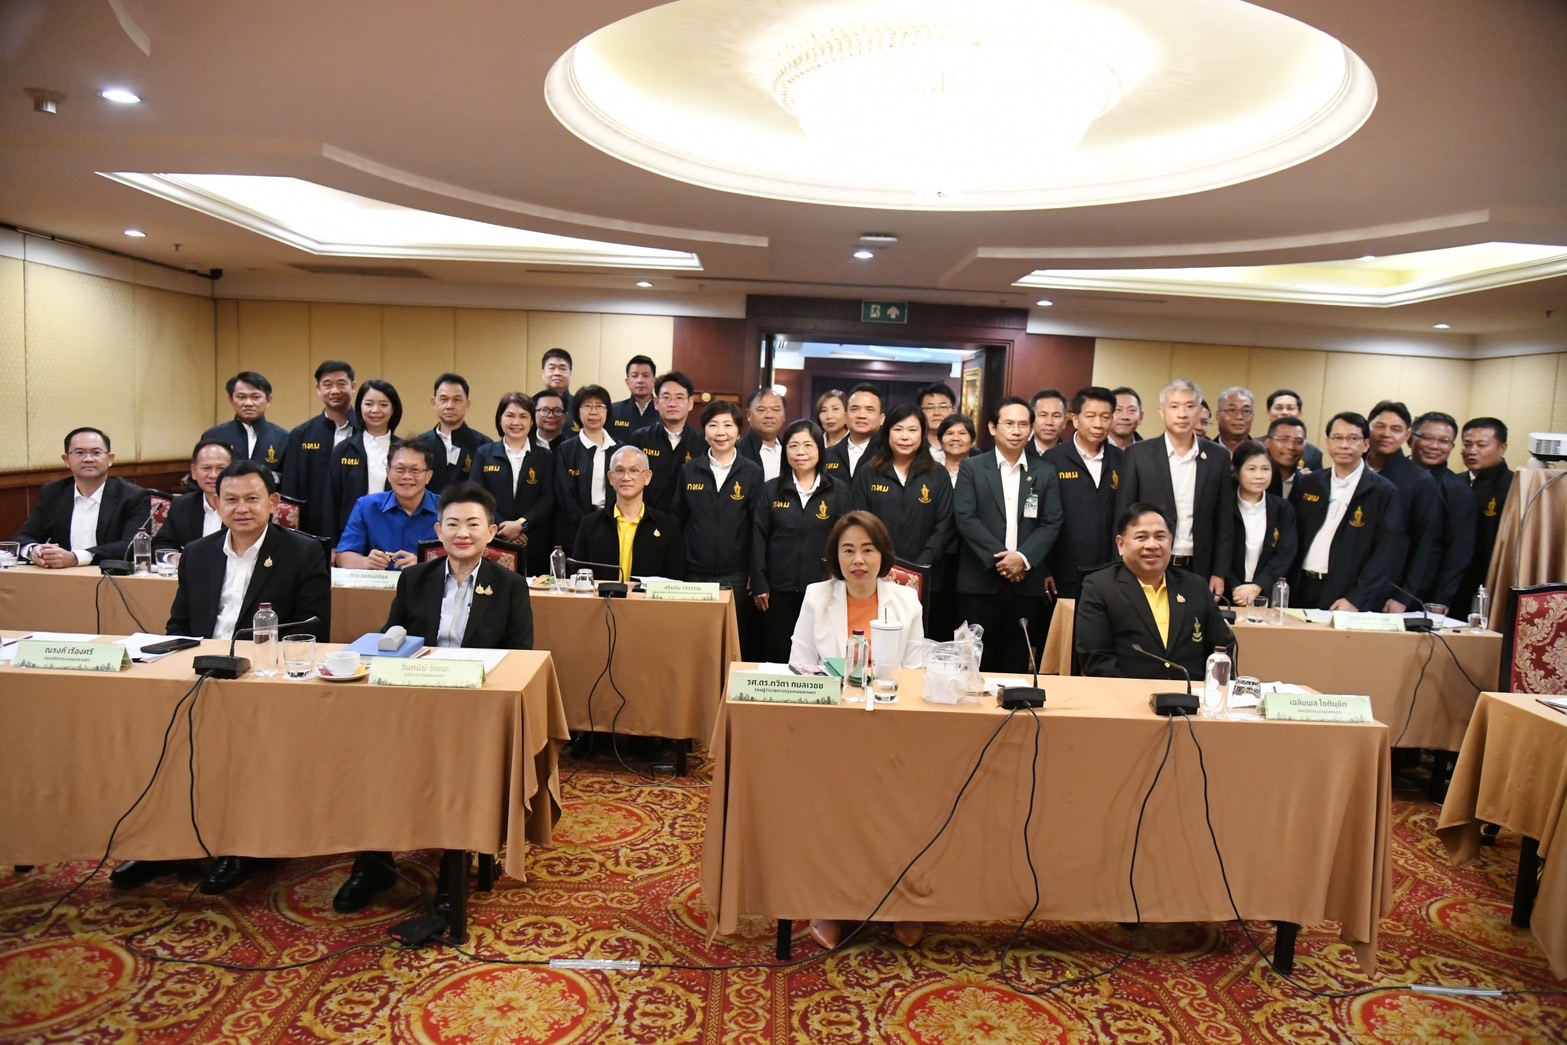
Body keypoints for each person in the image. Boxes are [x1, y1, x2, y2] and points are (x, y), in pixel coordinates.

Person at [117, 460, 332, 893]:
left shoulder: (303, 552)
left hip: (264, 677)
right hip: (200, 669)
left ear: (273, 503)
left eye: (252, 499)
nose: (242, 508)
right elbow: (179, 624)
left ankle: (243, 845)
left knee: (243, 743)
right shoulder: (198, 553)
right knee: (155, 730)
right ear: (216, 503)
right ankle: (162, 844)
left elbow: (313, 628)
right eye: (231, 499)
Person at [332, 482, 533, 913]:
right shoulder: (414, 578)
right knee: (370, 752)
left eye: (473, 525)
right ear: (438, 530)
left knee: (460, 760)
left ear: (491, 532)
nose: (463, 533)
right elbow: (390, 641)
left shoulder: (511, 585)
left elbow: (521, 657)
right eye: (453, 524)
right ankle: (373, 862)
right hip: (414, 697)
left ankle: (453, 864)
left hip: (475, 705)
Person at [797, 511, 926, 953]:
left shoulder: (906, 602)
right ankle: (830, 901)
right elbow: (800, 665)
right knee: (831, 802)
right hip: (832, 729)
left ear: (882, 555)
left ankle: (901, 903)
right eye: (848, 550)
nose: (858, 560)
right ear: (835, 556)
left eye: (868, 550)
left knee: (903, 806)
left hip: (893, 726)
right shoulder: (816, 597)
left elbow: (915, 672)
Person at [952, 397, 1063, 672]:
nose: (1016, 431)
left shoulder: (1045, 471)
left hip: (1025, 582)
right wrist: (1004, 561)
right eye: (1009, 424)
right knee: (974, 662)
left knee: (1015, 661)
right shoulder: (972, 467)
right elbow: (966, 518)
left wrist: (1022, 559)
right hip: (980, 582)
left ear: (1031, 429)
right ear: (993, 427)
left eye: (1023, 425)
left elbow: (1051, 521)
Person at [1075, 504, 1235, 681]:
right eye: (1141, 537)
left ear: (1170, 541)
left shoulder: (1195, 586)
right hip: (1125, 694)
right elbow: (1096, 660)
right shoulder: (1099, 587)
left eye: (1160, 537)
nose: (1152, 545)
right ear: (1121, 544)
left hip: (1191, 695)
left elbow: (1222, 648)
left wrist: (1213, 690)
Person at [1115, 379, 1233, 597]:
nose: (1182, 414)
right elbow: (1124, 515)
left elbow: (1224, 519)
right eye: (1174, 406)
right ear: (1162, 411)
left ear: (1200, 411)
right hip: (1148, 561)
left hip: (1199, 566)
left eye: (1190, 406)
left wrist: (1219, 572)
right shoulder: (1138, 454)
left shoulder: (1218, 456)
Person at [751, 420, 852, 661]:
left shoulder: (838, 491)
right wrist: (760, 583)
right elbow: (758, 537)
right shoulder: (771, 490)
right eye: (793, 446)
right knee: (779, 652)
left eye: (808, 445)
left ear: (820, 449)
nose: (801, 452)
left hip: (824, 585)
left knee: (821, 653)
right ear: (785, 451)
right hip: (778, 588)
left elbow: (847, 539)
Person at [1289, 412, 1404, 612]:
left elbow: (1385, 553)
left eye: (1352, 438)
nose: (1344, 445)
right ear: (1328, 443)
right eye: (1337, 438)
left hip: (1346, 594)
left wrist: (1356, 598)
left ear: (1366, 444)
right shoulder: (1310, 483)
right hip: (1300, 586)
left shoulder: (1383, 491)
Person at [678, 401, 765, 657]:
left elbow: (757, 527)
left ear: (739, 432)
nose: (720, 432)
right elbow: (679, 520)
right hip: (694, 573)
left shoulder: (752, 472)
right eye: (713, 425)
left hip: (735, 574)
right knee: (694, 640)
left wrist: (755, 573)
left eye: (728, 425)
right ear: (704, 431)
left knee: (733, 641)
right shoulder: (689, 470)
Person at [16, 427, 153, 567]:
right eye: (79, 453)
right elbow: (23, 537)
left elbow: (132, 545)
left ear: (110, 459)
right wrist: (34, 551)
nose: (88, 459)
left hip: (108, 574)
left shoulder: (133, 496)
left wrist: (76, 558)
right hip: (60, 575)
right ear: (66, 460)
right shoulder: (53, 492)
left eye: (96, 452)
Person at [851, 404, 954, 576]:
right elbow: (858, 521)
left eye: (912, 430)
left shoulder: (937, 474)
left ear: (922, 434)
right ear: (887, 433)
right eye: (898, 429)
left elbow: (945, 525)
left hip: (927, 571)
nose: (905, 437)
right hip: (877, 570)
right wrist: (879, 561)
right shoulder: (869, 473)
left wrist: (921, 565)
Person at [1041, 387, 1123, 602]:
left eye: (1105, 417)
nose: (1098, 424)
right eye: (1091, 416)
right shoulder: (1052, 460)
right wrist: (1043, 569)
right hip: (1062, 572)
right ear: (1075, 419)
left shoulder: (1123, 461)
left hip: (1111, 571)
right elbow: (1040, 519)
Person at [1365, 400, 1442, 611]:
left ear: (1407, 436)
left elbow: (1424, 544)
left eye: (1396, 429)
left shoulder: (1419, 480)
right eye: (1379, 426)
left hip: (1388, 589)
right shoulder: (1352, 468)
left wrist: (1403, 596)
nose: (1386, 434)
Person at [469, 393, 556, 575]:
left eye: (523, 416)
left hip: (533, 542)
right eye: (510, 415)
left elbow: (548, 498)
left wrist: (521, 524)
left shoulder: (545, 457)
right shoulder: (484, 453)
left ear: (531, 421)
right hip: (493, 539)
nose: (516, 422)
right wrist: (504, 527)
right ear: (500, 419)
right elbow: (477, 496)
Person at [571, 446, 686, 581]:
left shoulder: (667, 527)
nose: (626, 477)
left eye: (634, 470)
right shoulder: (589, 525)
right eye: (619, 471)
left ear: (647, 477)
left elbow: (675, 581)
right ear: (610, 477)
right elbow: (577, 577)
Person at [334, 438, 442, 569]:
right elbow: (343, 556)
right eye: (400, 469)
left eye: (415, 470)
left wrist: (422, 566)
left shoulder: (447, 509)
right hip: (377, 582)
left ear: (428, 476)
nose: (407, 476)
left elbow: (460, 559)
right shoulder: (366, 507)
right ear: (388, 473)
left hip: (426, 581)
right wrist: (366, 562)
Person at [1410, 411, 1476, 613]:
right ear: (1410, 438)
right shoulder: (1390, 478)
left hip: (1424, 594)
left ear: (1452, 447)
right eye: (1428, 438)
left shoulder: (1458, 490)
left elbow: (1459, 553)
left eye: (1444, 441)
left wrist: (1441, 599)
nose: (1435, 446)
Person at [282, 360, 358, 537]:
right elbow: (290, 490)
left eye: (341, 384)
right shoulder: (301, 435)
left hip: (357, 526)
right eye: (327, 385)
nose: (334, 391)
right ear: (318, 389)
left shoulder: (367, 432)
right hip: (311, 530)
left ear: (353, 387)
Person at [323, 379, 403, 542]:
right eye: (368, 404)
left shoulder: (404, 451)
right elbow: (330, 499)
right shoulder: (343, 449)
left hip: (394, 532)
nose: (375, 410)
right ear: (359, 407)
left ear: (393, 409)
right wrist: (332, 544)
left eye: (383, 405)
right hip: (351, 534)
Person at [1225, 442, 1297, 609]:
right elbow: (1219, 550)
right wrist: (1236, 588)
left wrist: (1257, 586)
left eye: (1265, 469)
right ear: (1237, 472)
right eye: (1251, 469)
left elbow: (1285, 552)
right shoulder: (1224, 506)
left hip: (1266, 593)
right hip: (1228, 593)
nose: (1259, 476)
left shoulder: (1282, 509)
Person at [552, 384, 617, 551]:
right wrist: (586, 522)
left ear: (608, 411)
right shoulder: (566, 450)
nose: (593, 412)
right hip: (574, 528)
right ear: (577, 411)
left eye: (599, 406)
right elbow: (564, 495)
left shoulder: (619, 450)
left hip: (613, 526)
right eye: (587, 406)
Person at [630, 371, 706, 514]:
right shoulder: (640, 438)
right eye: (666, 397)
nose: (672, 404)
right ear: (656, 403)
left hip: (690, 520)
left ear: (690, 403)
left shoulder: (703, 442)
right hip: (648, 518)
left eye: (679, 398)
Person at [1460, 416, 1512, 617]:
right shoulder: (1454, 482)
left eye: (1482, 445)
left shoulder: (1514, 487)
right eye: (1467, 444)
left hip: (1490, 580)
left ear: (1502, 448)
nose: (1472, 451)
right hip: (1454, 581)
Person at [201, 371, 289, 480]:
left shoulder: (284, 438)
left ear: (268, 400)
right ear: (231, 400)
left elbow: (290, 479)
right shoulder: (213, 436)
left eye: (255, 397)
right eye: (241, 397)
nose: (248, 403)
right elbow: (199, 477)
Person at [153, 439, 234, 554]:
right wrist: (172, 557)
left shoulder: (242, 507)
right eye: (206, 468)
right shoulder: (182, 505)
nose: (213, 475)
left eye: (221, 468)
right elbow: (161, 544)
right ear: (194, 472)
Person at [425, 373, 492, 495]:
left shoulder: (484, 445)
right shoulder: (420, 444)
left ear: (467, 404)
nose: (449, 406)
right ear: (434, 403)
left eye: (457, 400)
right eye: (444, 399)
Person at [825, 383, 883, 479]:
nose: (861, 415)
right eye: (855, 409)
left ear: (882, 419)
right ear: (845, 416)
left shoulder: (889, 455)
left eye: (869, 410)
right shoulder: (826, 455)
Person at [1265, 389, 1324, 470]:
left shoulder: (1313, 453)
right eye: (1279, 408)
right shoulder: (1253, 447)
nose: (1284, 412)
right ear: (1268, 414)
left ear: (1299, 414)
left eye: (1290, 408)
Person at [738, 387, 787, 481]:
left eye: (776, 410)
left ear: (784, 415)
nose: (769, 415)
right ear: (749, 415)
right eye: (761, 410)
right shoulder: (736, 451)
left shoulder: (789, 451)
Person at [1264, 416, 1310, 499]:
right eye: (1284, 440)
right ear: (1267, 443)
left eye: (1298, 442)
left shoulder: (1308, 485)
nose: (1291, 447)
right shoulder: (1256, 480)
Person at [611, 355, 657, 433]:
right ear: (627, 382)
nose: (640, 380)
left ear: (654, 381)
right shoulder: (613, 411)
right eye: (635, 376)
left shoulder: (664, 412)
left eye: (646, 376)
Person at [1026, 389, 1069, 463]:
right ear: (1031, 419)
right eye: (1043, 415)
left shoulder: (1072, 455)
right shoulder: (1019, 452)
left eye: (1056, 416)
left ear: (1065, 421)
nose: (1049, 422)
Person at [917, 383, 956, 463]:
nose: (936, 413)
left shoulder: (966, 449)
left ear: (953, 411)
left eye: (943, 407)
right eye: (929, 408)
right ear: (920, 412)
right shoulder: (913, 447)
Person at [1214, 387, 1258, 456]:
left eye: (1246, 411)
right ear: (1218, 415)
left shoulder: (1262, 455)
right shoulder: (1204, 452)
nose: (1239, 417)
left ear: (1252, 417)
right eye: (1232, 410)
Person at [541, 348, 576, 429]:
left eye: (562, 369)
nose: (557, 373)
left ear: (570, 373)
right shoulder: (531, 405)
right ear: (543, 373)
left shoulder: (579, 406)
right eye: (552, 368)